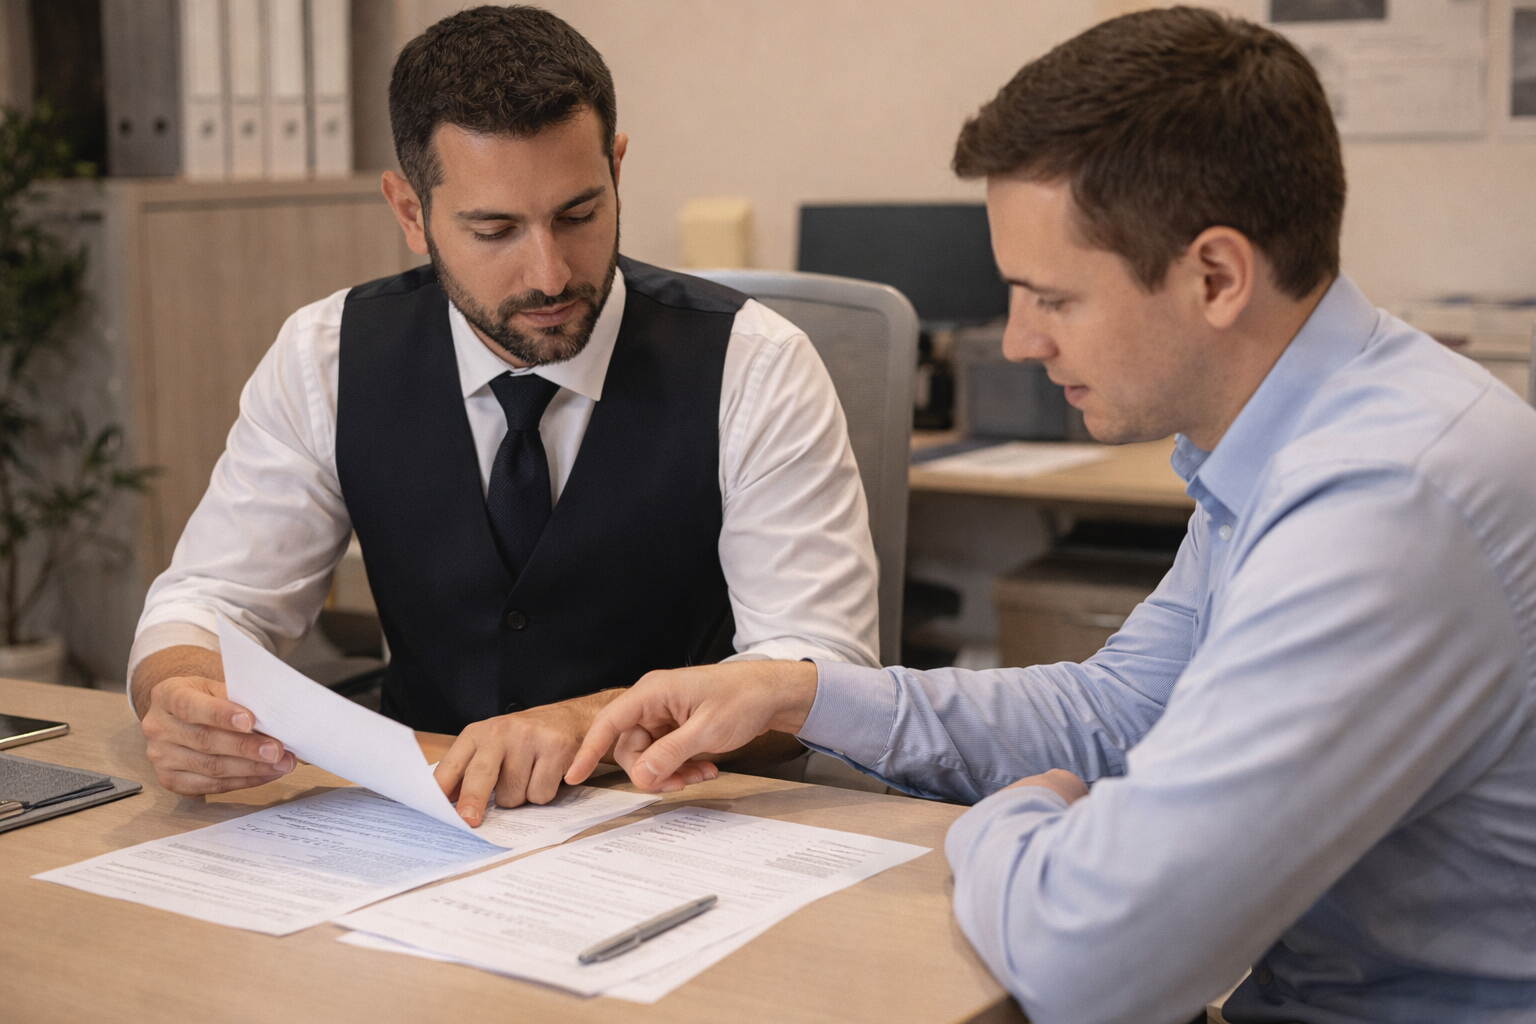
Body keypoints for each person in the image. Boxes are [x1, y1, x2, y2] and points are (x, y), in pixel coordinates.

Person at [566, 8, 1536, 1023]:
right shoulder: (1295, 442)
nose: (1020, 341)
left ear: (1215, 275)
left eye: (1051, 297)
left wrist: (1019, 814)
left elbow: (1090, 958)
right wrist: (798, 692)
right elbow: (1114, 711)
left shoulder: (1386, 505)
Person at [129, 5, 876, 824]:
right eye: (494, 229)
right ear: (410, 213)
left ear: (617, 171)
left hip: (682, 822)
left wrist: (590, 721)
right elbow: (212, 601)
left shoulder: (755, 364)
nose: (550, 273)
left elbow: (819, 673)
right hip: (425, 824)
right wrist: (179, 693)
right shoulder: (326, 357)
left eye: (579, 215)